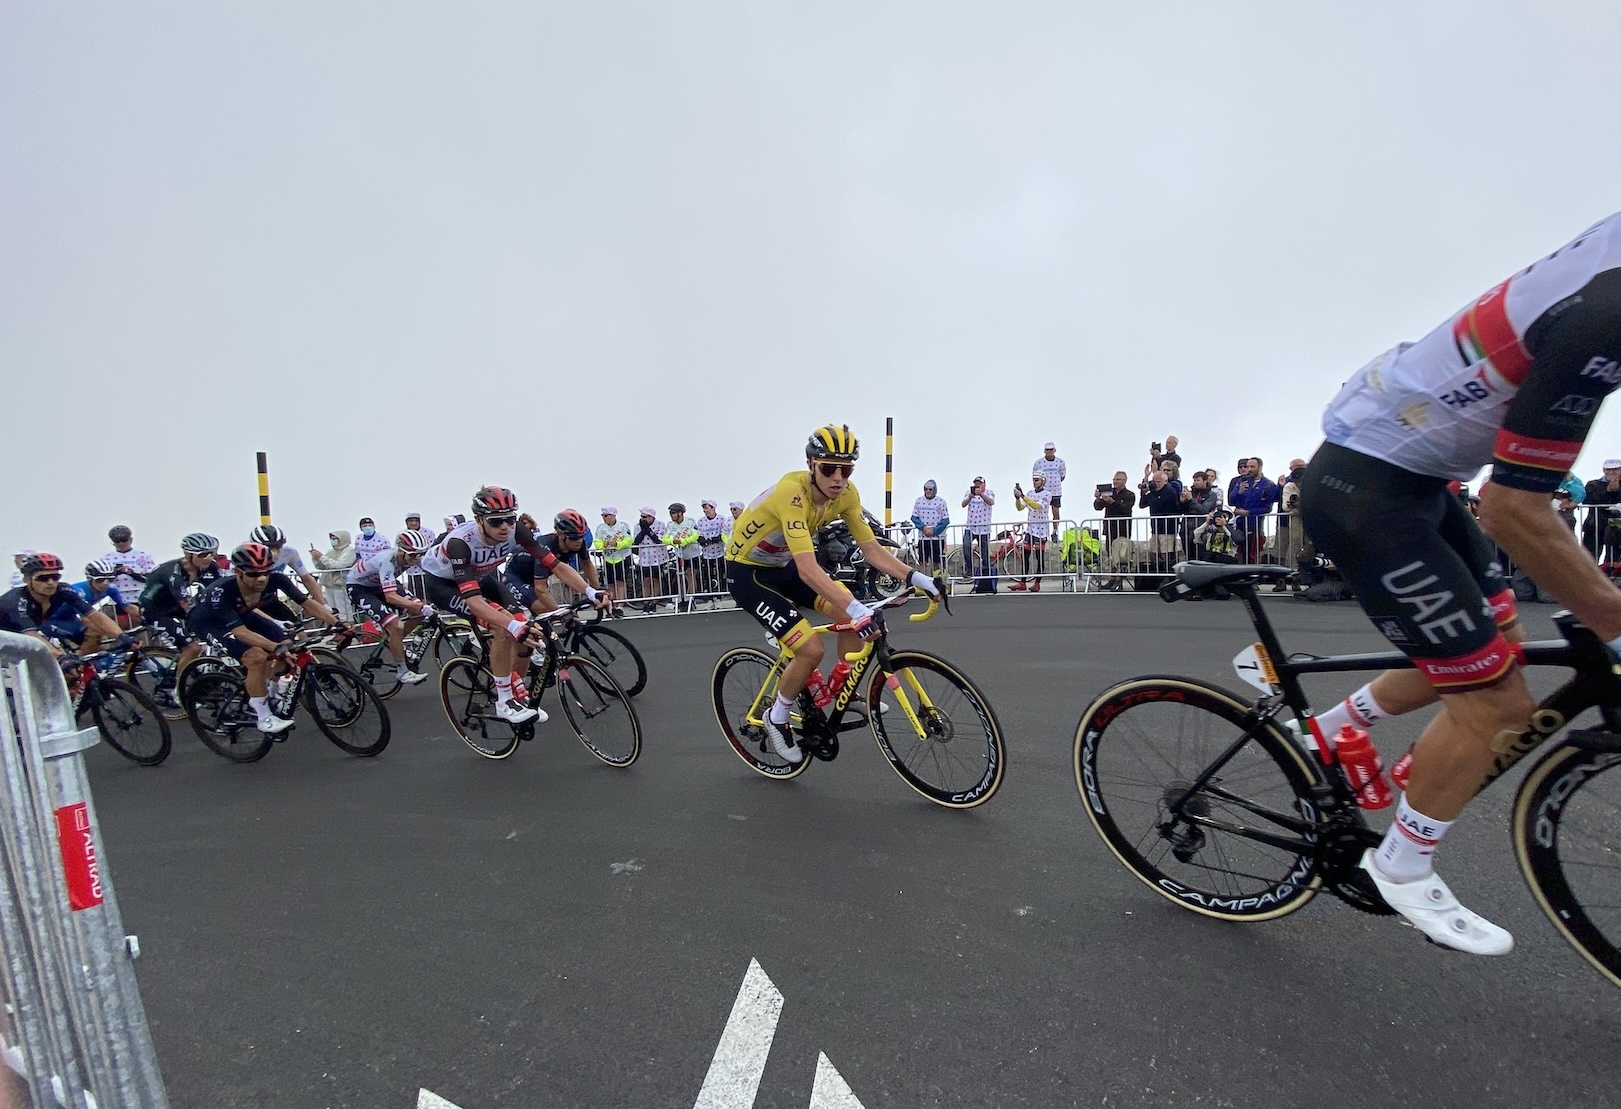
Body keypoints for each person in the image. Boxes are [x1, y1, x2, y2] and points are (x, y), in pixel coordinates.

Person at [1299, 211, 1621, 956]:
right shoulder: (1606, 311)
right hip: (1365, 487)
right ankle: (1401, 867)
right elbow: (1511, 509)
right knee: (1497, 701)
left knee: (1496, 638)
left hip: (1417, 478)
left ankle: (1336, 725)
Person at [724, 424, 941, 764]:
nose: (838, 477)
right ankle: (777, 718)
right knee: (810, 648)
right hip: (748, 573)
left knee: (847, 617)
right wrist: (857, 609)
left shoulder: (847, 494)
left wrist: (917, 577)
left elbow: (871, 548)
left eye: (847, 468)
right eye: (829, 468)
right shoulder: (790, 493)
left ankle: (843, 689)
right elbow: (810, 570)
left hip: (784, 566)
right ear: (812, 466)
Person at [190, 543, 346, 735]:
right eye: (254, 574)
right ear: (238, 572)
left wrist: (338, 623)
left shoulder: (276, 579)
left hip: (243, 615)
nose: (262, 578)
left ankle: (268, 694)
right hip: (210, 622)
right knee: (255, 657)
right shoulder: (222, 592)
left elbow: (307, 603)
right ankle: (264, 717)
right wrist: (274, 646)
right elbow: (240, 633)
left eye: (266, 572)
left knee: (289, 649)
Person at [346, 530, 432, 686]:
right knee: (397, 625)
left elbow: (433, 572)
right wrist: (415, 605)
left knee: (419, 612)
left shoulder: (411, 557)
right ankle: (402, 671)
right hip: (359, 588)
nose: (416, 559)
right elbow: (390, 596)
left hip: (379, 583)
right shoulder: (387, 561)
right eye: (413, 555)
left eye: (420, 554)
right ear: (400, 551)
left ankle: (394, 640)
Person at [0, 554, 121, 656]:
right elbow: (31, 635)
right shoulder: (16, 600)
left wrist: (121, 636)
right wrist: (61, 658)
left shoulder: (63, 590)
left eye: (55, 577)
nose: (51, 582)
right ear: (27, 579)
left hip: (20, 637)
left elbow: (94, 615)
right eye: (43, 578)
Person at [137, 533, 223, 672]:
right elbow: (187, 605)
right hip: (155, 611)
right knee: (193, 648)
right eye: (202, 555)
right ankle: (178, 689)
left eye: (212, 553)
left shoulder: (211, 566)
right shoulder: (172, 573)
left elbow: (219, 589)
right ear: (188, 554)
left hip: (173, 605)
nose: (209, 558)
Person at [1229, 458, 1280, 563]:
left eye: (1252, 467)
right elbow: (1231, 500)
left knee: (1254, 552)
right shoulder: (1241, 481)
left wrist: (1249, 512)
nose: (1249, 469)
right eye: (1247, 467)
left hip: (1256, 524)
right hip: (1240, 523)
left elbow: (1267, 508)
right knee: (1240, 552)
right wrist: (1239, 491)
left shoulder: (1268, 485)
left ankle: (1255, 573)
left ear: (1260, 467)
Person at [100, 526, 155, 623]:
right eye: (117, 541)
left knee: (141, 625)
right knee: (123, 626)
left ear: (131, 540)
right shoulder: (107, 558)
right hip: (117, 598)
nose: (121, 544)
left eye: (124, 540)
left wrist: (133, 574)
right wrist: (116, 572)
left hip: (140, 596)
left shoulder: (142, 555)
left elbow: (151, 577)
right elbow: (101, 581)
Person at [1093, 472, 1137, 589]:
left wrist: (1112, 502)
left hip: (1123, 528)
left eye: (1118, 479)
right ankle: (1112, 578)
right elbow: (1098, 507)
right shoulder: (1109, 492)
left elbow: (1125, 509)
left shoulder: (1129, 495)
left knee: (1121, 555)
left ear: (1124, 481)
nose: (1115, 482)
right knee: (1110, 554)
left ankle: (1119, 579)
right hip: (1109, 528)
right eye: (1114, 479)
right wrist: (1098, 498)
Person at [1010, 474, 1052, 590]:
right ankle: (1022, 582)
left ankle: (1037, 583)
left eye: (1037, 480)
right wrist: (1017, 498)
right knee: (1025, 556)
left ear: (1043, 481)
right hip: (1030, 529)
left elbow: (1037, 506)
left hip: (1041, 530)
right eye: (1033, 480)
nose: (1034, 482)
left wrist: (1022, 496)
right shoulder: (1030, 493)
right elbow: (1020, 508)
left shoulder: (1047, 494)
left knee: (1039, 557)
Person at [73, 560, 142, 628]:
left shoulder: (110, 588)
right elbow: (84, 618)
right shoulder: (79, 592)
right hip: (66, 617)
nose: (105, 583)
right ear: (89, 579)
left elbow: (128, 607)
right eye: (100, 580)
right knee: (94, 632)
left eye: (110, 579)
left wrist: (148, 616)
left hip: (74, 616)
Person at [310, 529, 358, 620]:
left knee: (343, 610)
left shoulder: (349, 551)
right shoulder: (330, 551)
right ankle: (337, 628)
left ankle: (348, 628)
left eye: (335, 538)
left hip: (340, 585)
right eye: (331, 538)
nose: (333, 540)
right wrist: (316, 558)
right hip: (329, 585)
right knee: (333, 610)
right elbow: (322, 566)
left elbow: (339, 565)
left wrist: (321, 556)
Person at [960, 477, 997, 594]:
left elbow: (991, 502)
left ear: (984, 484)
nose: (977, 486)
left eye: (979, 484)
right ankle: (969, 569)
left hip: (984, 528)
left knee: (985, 553)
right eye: (976, 484)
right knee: (966, 545)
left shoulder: (989, 492)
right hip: (970, 527)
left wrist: (981, 495)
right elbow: (963, 504)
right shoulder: (969, 493)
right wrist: (971, 496)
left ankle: (986, 578)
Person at [1580, 460, 1621, 563]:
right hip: (1594, 525)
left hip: (1616, 527)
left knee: (1613, 557)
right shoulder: (1592, 484)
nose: (1611, 473)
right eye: (1608, 469)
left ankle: (1610, 575)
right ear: (1603, 470)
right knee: (1589, 557)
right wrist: (1608, 491)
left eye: (1615, 469)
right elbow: (1587, 500)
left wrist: (1616, 490)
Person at [593, 508, 634, 604]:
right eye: (602, 515)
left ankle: (620, 604)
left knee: (620, 582)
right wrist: (604, 545)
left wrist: (617, 545)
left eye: (606, 515)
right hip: (608, 559)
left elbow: (629, 541)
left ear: (613, 516)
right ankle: (613, 604)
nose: (604, 518)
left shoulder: (623, 526)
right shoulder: (600, 528)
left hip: (622, 557)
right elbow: (597, 542)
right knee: (610, 583)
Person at [664, 503, 701, 608]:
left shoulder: (690, 522)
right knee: (680, 576)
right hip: (680, 554)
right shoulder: (670, 525)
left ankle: (691, 598)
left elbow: (695, 535)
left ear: (680, 513)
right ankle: (681, 599)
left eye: (673, 513)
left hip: (693, 553)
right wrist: (672, 541)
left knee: (691, 575)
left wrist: (683, 541)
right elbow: (664, 538)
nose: (671, 515)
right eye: (670, 513)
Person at [632, 508, 669, 611]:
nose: (642, 519)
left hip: (657, 556)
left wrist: (648, 530)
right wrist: (643, 530)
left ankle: (654, 602)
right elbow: (636, 541)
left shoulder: (660, 525)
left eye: (644, 517)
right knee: (645, 580)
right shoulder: (637, 526)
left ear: (651, 517)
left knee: (655, 579)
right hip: (644, 556)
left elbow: (658, 539)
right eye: (641, 517)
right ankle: (646, 603)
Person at [694, 499, 730, 602]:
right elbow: (699, 534)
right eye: (703, 508)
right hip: (707, 554)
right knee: (708, 576)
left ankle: (718, 597)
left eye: (706, 508)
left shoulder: (722, 519)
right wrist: (701, 540)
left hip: (720, 552)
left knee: (720, 574)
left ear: (713, 508)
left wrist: (713, 539)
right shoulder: (701, 521)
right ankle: (710, 599)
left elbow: (724, 533)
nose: (705, 511)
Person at [909, 480, 950, 572]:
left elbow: (946, 520)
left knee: (936, 562)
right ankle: (922, 582)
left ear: (934, 490)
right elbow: (914, 517)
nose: (927, 491)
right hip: (923, 537)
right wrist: (923, 528)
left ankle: (936, 581)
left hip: (937, 538)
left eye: (930, 489)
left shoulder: (941, 502)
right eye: (926, 489)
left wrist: (934, 531)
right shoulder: (919, 501)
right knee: (922, 561)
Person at [1032, 443, 1066, 522]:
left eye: (1051, 450)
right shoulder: (1038, 463)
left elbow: (1062, 475)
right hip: (1043, 491)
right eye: (1047, 450)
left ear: (1054, 450)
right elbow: (1035, 476)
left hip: (1055, 491)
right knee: (1041, 512)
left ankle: (1055, 531)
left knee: (1056, 513)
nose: (1049, 452)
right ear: (1044, 451)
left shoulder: (1060, 462)